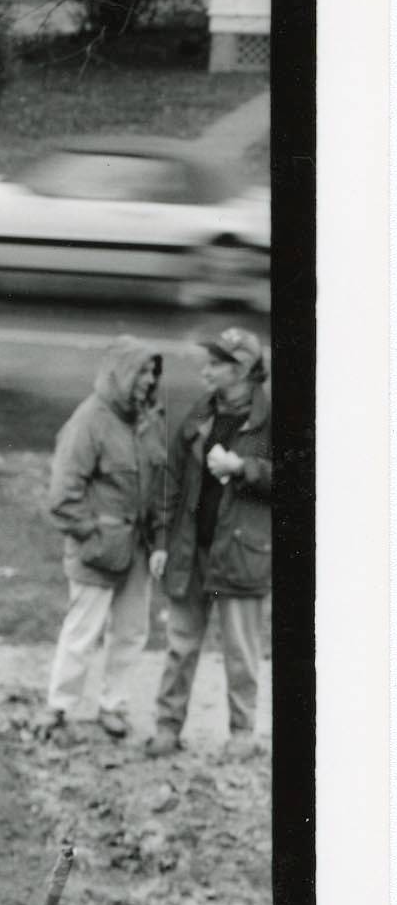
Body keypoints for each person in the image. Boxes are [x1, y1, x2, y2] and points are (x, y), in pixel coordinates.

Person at [148, 325, 273, 759]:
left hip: (240, 555)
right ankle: (167, 728)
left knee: (242, 651)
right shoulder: (199, 414)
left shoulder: (273, 419)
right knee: (180, 645)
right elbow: (171, 482)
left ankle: (242, 734)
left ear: (242, 371)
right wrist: (162, 540)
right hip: (192, 552)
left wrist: (245, 468)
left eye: (217, 362)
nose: (207, 369)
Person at [40, 336, 165, 742]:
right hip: (98, 552)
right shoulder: (87, 422)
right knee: (82, 633)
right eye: (141, 371)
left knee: (131, 633)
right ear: (120, 375)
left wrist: (159, 538)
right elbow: (62, 497)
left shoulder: (150, 419)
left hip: (140, 550)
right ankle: (58, 708)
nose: (149, 381)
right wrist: (95, 539)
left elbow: (160, 485)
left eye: (152, 372)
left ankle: (114, 707)